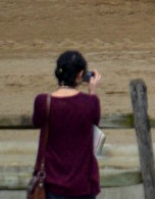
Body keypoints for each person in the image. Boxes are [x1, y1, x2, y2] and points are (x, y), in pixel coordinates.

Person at [32, 50, 101, 199]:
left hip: (52, 183)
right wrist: (92, 91)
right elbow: (95, 120)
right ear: (80, 75)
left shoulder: (43, 101)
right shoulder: (90, 103)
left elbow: (36, 121)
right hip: (83, 185)